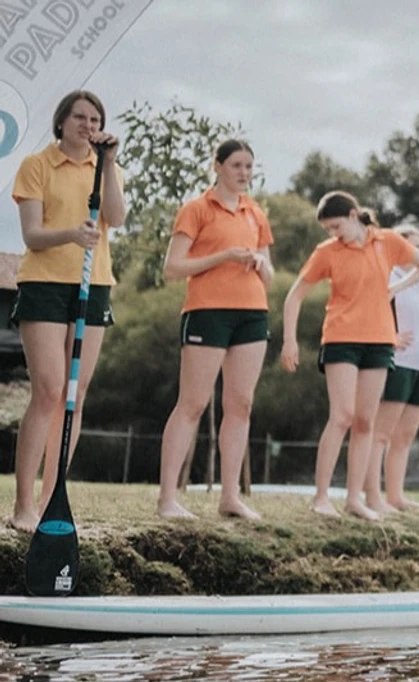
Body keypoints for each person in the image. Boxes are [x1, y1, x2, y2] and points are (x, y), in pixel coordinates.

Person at [9, 90, 126, 532]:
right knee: (49, 389)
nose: (88, 124)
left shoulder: (104, 169)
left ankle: (50, 501)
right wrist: (71, 236)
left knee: (72, 397)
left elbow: (115, 216)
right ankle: (22, 505)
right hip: (44, 284)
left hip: (93, 285)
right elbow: (33, 235)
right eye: (79, 116)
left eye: (95, 118)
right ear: (62, 121)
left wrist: (109, 164)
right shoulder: (37, 166)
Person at [280, 192, 419, 520]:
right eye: (327, 229)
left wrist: (396, 288)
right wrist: (289, 341)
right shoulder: (327, 252)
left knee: (365, 421)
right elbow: (295, 297)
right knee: (342, 416)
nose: (332, 233)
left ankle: (354, 500)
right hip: (341, 339)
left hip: (379, 342)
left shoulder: (388, 241)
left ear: (353, 215)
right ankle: (321, 497)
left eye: (336, 226)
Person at [155, 139, 270, 520]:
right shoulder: (196, 209)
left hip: (252, 314)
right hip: (207, 313)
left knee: (241, 405)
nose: (244, 173)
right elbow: (173, 267)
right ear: (217, 166)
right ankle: (168, 500)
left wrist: (258, 263)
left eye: (249, 167)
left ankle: (230, 498)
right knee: (193, 403)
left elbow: (269, 275)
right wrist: (225, 256)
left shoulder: (256, 213)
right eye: (237, 165)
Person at [365, 224, 419, 513]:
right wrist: (390, 338)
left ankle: (396, 496)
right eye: (410, 246)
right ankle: (373, 495)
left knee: (405, 435)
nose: (416, 251)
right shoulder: (388, 276)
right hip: (397, 363)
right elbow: (369, 312)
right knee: (380, 433)